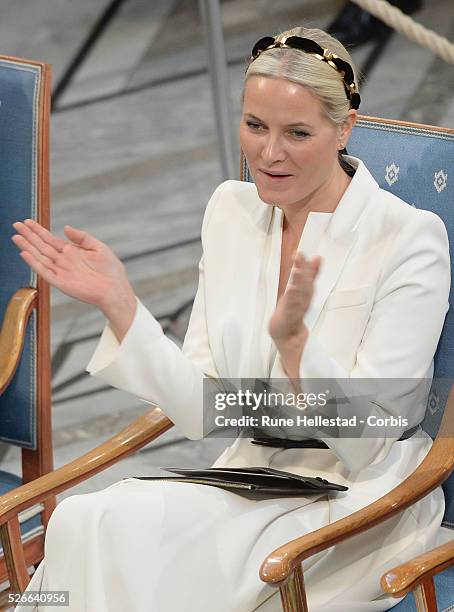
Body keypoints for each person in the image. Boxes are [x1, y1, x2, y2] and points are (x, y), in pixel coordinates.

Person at [12, 25, 450, 612]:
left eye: (297, 133)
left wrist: (296, 348)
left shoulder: (408, 239)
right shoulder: (230, 212)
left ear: (345, 129)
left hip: (361, 500)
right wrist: (121, 304)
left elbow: (370, 445)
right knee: (85, 522)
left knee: (142, 556)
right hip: (248, 478)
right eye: (255, 126)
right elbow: (203, 407)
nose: (269, 154)